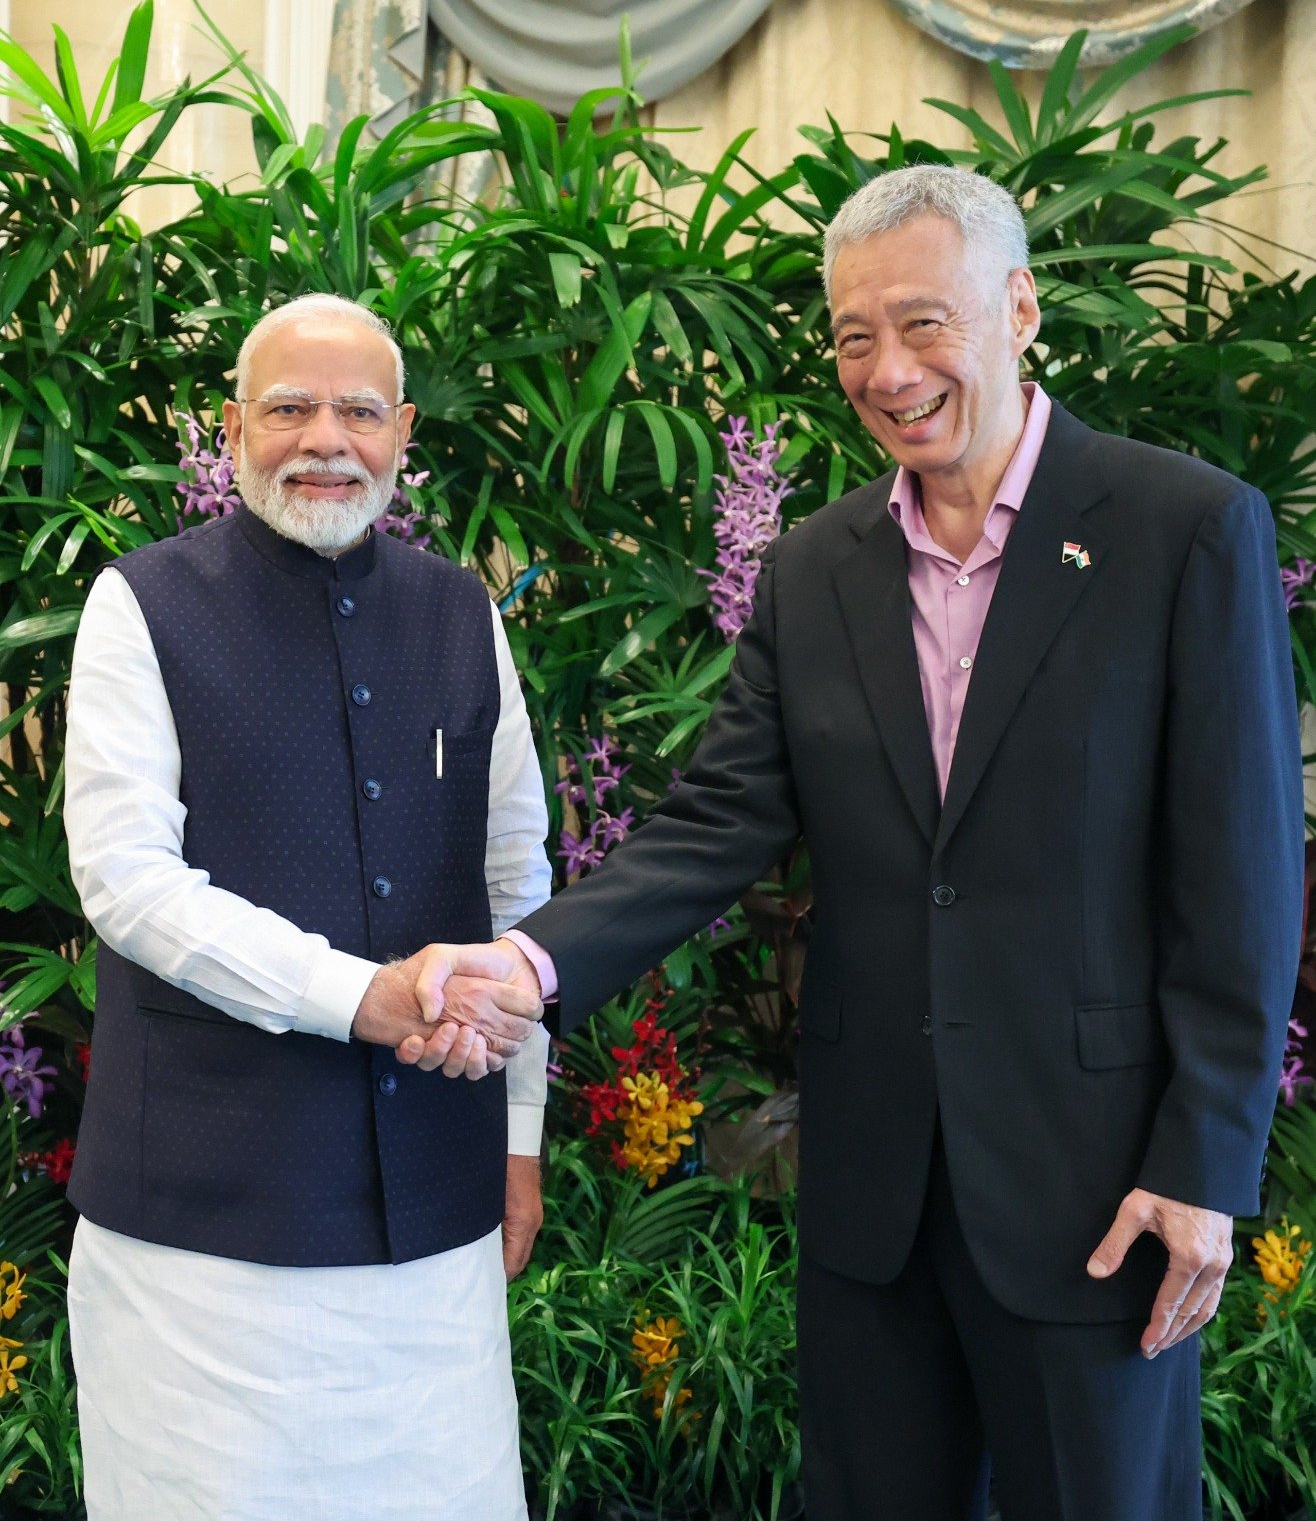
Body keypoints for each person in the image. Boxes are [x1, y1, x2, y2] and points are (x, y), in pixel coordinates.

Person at [415, 166, 1305, 1520]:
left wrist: (1203, 1164)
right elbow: (719, 821)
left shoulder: (1184, 530)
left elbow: (1240, 876)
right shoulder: (814, 566)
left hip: (1097, 1190)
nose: (887, 371)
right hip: (873, 1197)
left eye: (922, 324)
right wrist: (527, 971)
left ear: (1017, 309)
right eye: (851, 337)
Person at [63, 293, 549, 1521]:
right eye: (288, 407)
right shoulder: (140, 604)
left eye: (357, 410)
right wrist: (361, 999)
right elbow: (127, 879)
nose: (323, 437)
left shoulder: (460, 611)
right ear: (232, 428)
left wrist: (521, 1135)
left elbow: (517, 881)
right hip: (200, 1238)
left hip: (434, 1226)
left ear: (403, 433)